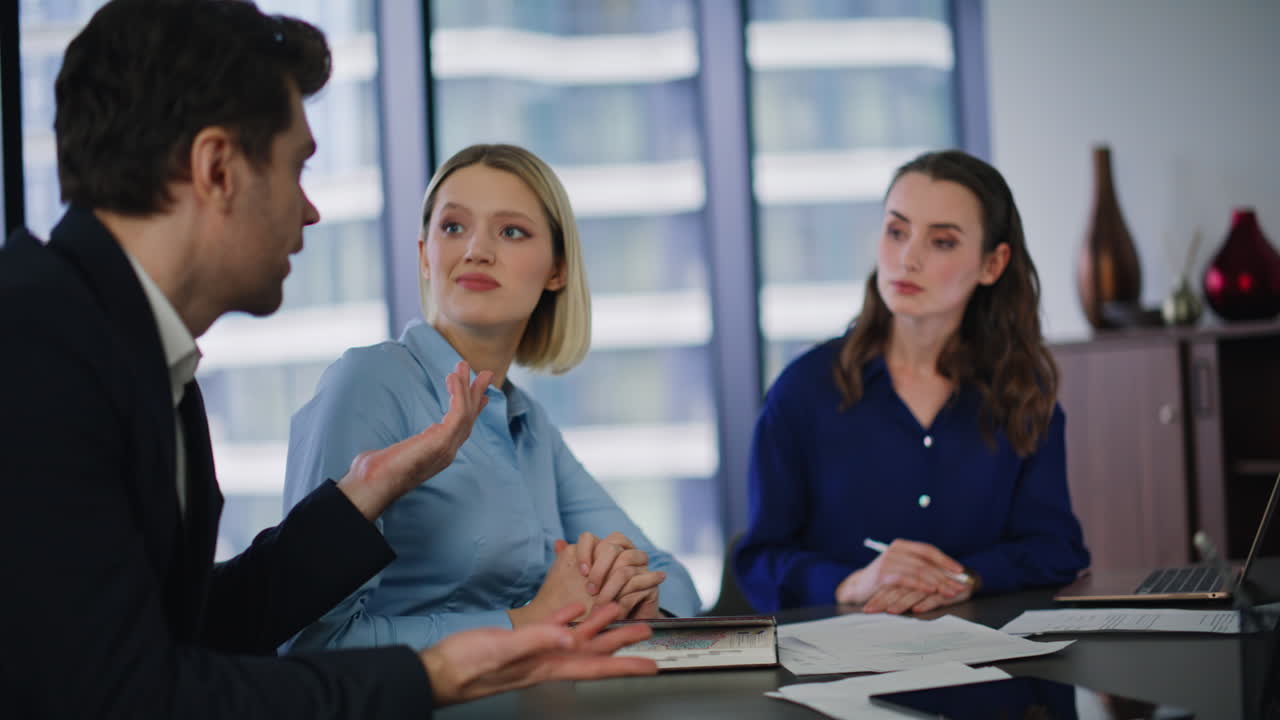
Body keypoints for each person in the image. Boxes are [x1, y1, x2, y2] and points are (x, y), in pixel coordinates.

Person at [0, 2, 657, 718]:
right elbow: (123, 696)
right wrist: (430, 672)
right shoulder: (34, 348)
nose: (310, 211)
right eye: (296, 168)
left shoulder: (148, 366)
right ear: (217, 168)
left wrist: (360, 495)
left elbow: (186, 634)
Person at [281, 143, 701, 653]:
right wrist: (530, 622)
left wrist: (636, 603)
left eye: (511, 231)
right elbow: (310, 641)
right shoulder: (369, 383)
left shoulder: (528, 423)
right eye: (453, 227)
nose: (476, 249)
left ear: (557, 271)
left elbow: (667, 576)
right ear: (425, 256)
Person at [734, 150, 1090, 615]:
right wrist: (853, 583)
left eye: (941, 242)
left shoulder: (1022, 393)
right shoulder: (803, 392)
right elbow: (760, 562)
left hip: (990, 669)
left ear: (992, 264)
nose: (907, 258)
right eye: (896, 231)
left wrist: (963, 577)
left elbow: (1057, 549)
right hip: (841, 673)